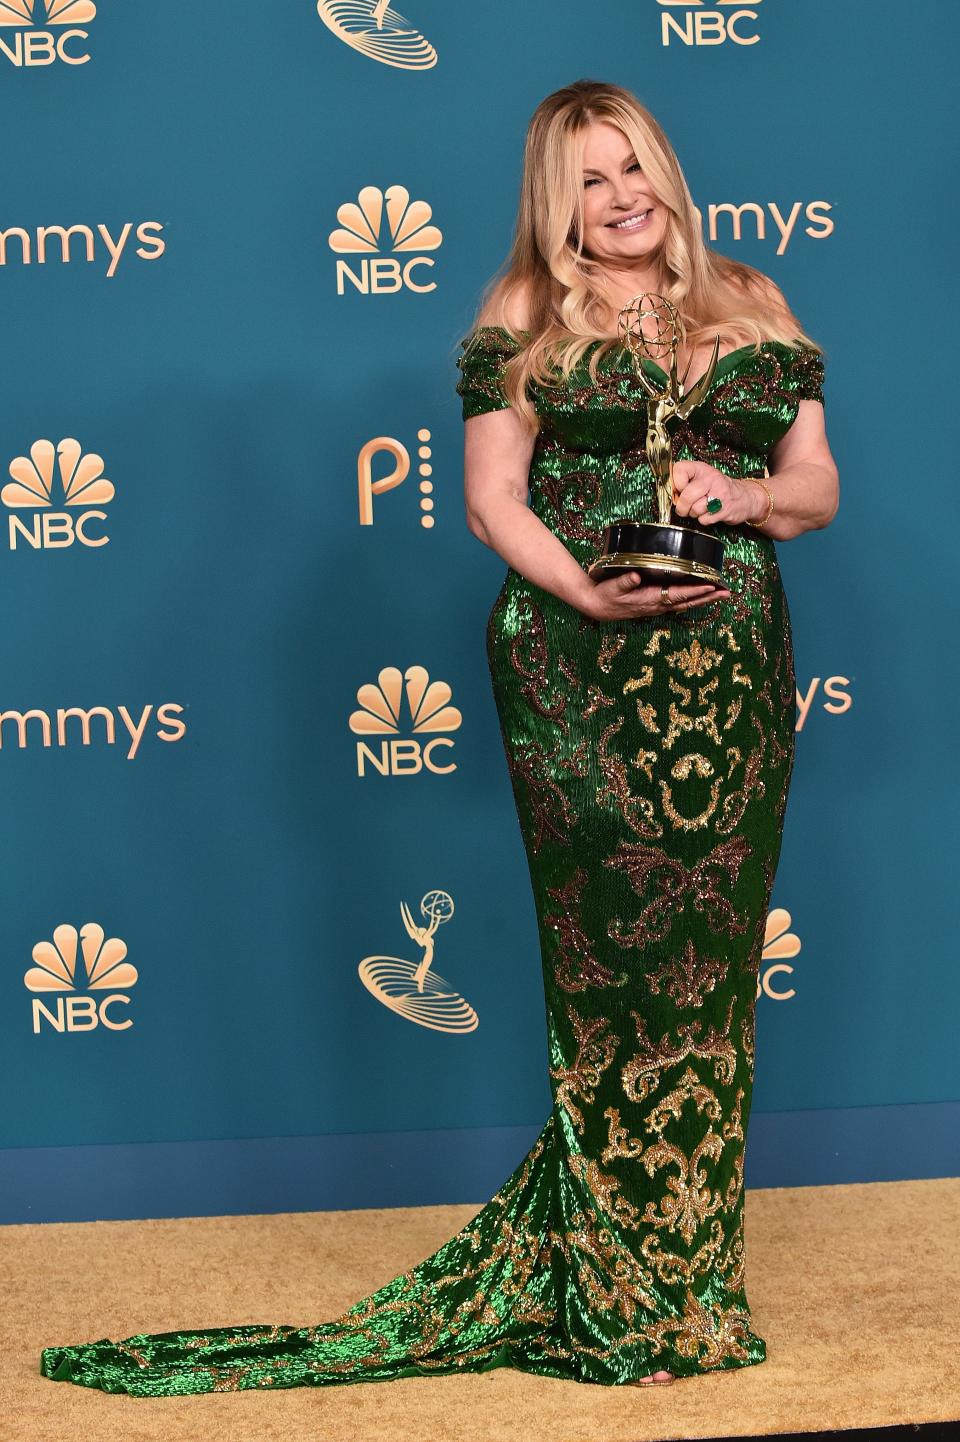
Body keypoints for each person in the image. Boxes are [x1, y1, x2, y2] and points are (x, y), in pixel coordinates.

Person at [38, 79, 838, 1396]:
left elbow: (818, 483)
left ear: (668, 171)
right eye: (589, 178)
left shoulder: (753, 295)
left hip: (732, 668)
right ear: (554, 199)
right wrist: (582, 588)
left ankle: (691, 1283)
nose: (623, 195)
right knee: (612, 980)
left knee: (711, 975)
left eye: (635, 165)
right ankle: (625, 1301)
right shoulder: (522, 313)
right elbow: (489, 501)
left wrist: (741, 490)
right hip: (579, 669)